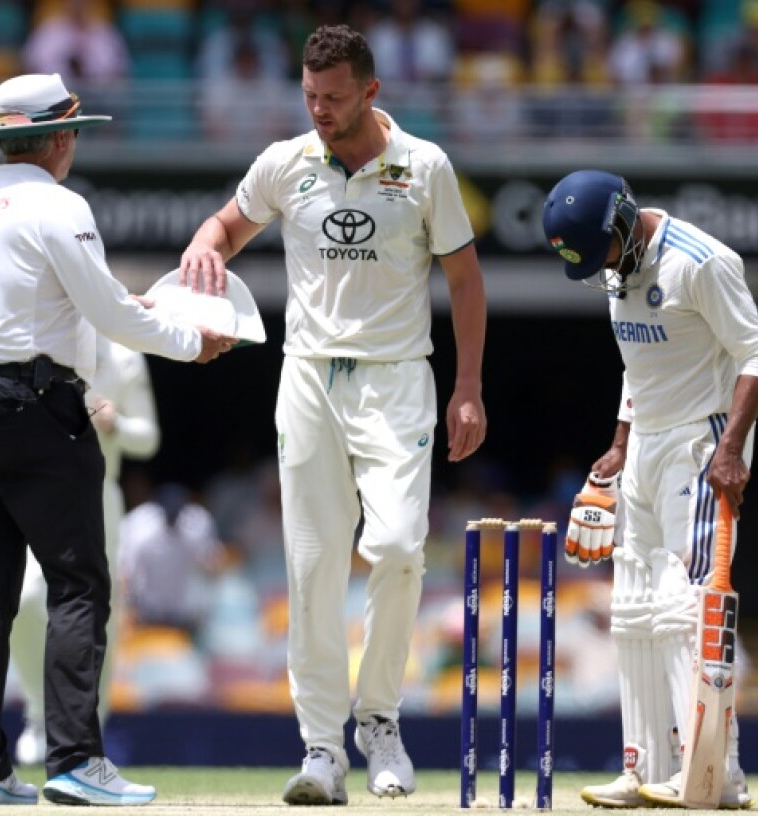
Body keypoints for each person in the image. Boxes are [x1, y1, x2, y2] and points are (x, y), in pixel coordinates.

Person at [179, 24, 488, 806]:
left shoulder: (424, 167)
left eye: (335, 98)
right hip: (309, 378)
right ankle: (322, 750)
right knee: (312, 569)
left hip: (396, 381)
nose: (321, 110)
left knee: (396, 548)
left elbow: (466, 280)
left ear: (371, 92)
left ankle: (379, 721)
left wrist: (469, 387)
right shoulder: (286, 163)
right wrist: (205, 249)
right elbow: (226, 225)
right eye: (311, 97)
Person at [0, 72, 233, 806]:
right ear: (59, 138)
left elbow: (72, 308)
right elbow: (111, 319)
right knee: (80, 583)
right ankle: (75, 760)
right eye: (74, 132)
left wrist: (130, 308)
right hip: (40, 410)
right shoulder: (61, 204)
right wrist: (192, 340)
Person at [540, 169, 758, 809]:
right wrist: (620, 443)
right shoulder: (619, 268)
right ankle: (643, 768)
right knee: (634, 610)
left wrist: (731, 451)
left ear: (620, 222)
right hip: (644, 445)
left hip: (703, 439)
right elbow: (636, 365)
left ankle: (713, 773)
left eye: (601, 252)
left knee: (687, 605)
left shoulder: (701, 262)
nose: (601, 270)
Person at [9, 336, 161, 767]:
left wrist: (113, 422)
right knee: (24, 601)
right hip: (43, 490)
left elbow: (148, 439)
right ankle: (41, 714)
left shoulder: (126, 354)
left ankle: (88, 729)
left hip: (100, 495)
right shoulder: (42, 340)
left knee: (100, 615)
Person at [118, 482, 225, 635]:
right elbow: (125, 574)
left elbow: (214, 567)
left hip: (185, 619)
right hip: (146, 617)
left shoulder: (198, 525)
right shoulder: (139, 527)